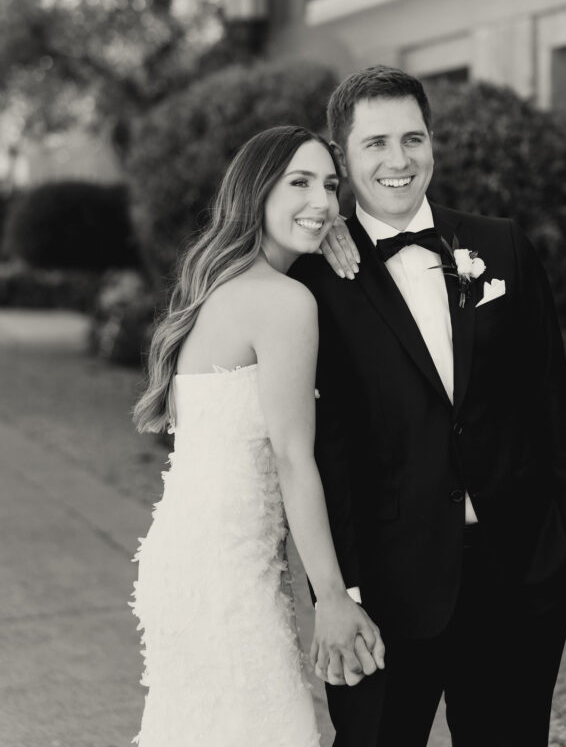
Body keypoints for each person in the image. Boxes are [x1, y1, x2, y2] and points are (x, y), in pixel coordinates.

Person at [291, 67, 566, 747]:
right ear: (342, 156)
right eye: (373, 144)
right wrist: (339, 593)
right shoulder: (312, 280)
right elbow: (321, 448)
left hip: (518, 570)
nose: (397, 161)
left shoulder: (500, 244)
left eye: (412, 138)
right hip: (388, 585)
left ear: (432, 143)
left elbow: (547, 388)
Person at [130, 126, 385, 747]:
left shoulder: (217, 284)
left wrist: (327, 233)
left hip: (183, 560)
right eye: (298, 183)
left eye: (330, 186)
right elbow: (293, 458)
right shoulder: (284, 302)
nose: (321, 202)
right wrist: (332, 597)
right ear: (255, 191)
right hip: (228, 572)